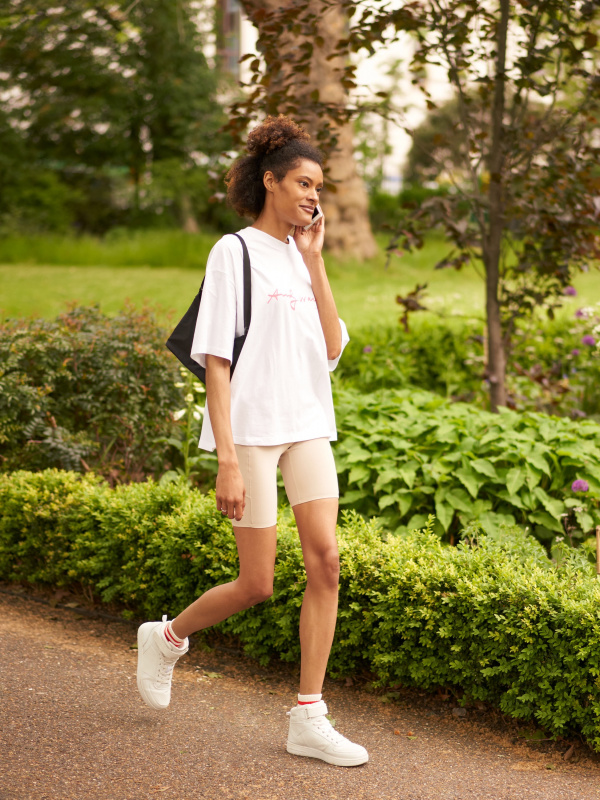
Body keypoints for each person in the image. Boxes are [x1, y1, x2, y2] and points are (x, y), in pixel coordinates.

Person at [136, 115, 368, 767]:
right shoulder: (232, 252)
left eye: (319, 185)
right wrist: (228, 461)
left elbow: (330, 348)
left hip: (306, 426)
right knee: (257, 583)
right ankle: (167, 637)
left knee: (326, 561)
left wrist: (316, 264)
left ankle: (308, 716)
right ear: (270, 181)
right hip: (254, 434)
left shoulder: (303, 255)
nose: (312, 196)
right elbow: (215, 360)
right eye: (301, 182)